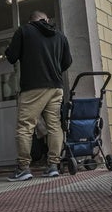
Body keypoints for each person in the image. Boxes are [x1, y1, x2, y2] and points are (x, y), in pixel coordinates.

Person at [5, 10, 72, 181]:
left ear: (31, 21)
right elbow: (67, 62)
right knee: (54, 125)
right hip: (56, 87)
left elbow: (11, 57)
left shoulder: (24, 31)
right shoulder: (60, 36)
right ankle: (53, 166)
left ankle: (23, 168)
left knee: (25, 126)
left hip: (33, 87)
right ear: (46, 19)